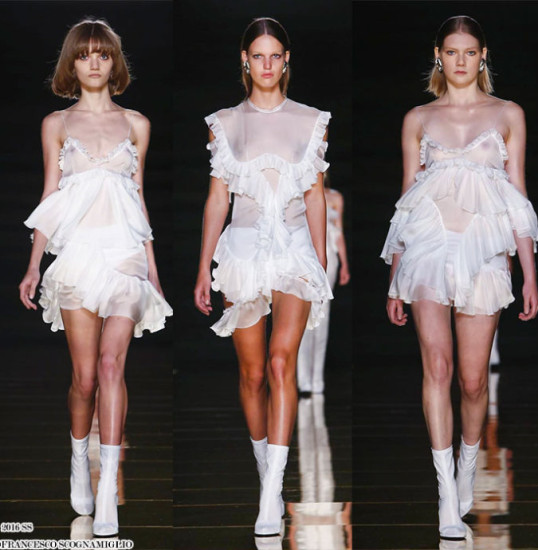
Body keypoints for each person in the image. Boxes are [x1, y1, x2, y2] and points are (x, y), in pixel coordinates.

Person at [380, 15, 538, 541]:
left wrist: (530, 275)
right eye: (452, 51)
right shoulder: (418, 118)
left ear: (483, 55)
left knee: (473, 381)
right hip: (427, 249)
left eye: (470, 52)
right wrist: (395, 275)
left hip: (484, 251)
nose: (461, 60)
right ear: (438, 55)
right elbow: (407, 200)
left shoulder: (508, 114)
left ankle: (467, 465)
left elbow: (517, 198)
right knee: (438, 367)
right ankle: (446, 496)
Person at [18, 19, 172, 537]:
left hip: (125, 256)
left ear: (114, 62)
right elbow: (50, 196)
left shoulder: (137, 124)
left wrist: (152, 270)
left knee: (111, 366)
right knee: (84, 378)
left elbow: (137, 199)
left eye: (102, 54)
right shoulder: (56, 124)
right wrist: (34, 264)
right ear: (72, 63)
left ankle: (107, 489)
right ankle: (78, 458)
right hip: (79, 257)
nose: (94, 63)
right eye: (84, 54)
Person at [194, 17, 332, 537]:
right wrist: (203, 267)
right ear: (245, 61)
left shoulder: (312, 120)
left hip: (293, 249)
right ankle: (265, 472)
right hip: (244, 250)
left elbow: (315, 194)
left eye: (276, 56)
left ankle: (272, 489)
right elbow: (218, 198)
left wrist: (319, 260)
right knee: (252, 374)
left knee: (279, 363)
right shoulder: (224, 123)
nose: (267, 65)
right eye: (259, 56)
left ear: (287, 60)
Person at [297, 173, 350, 395]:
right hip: (304, 257)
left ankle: (317, 380)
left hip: (330, 258)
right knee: (301, 314)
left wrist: (345, 264)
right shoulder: (298, 193)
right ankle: (303, 380)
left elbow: (338, 233)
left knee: (323, 316)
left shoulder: (336, 197)